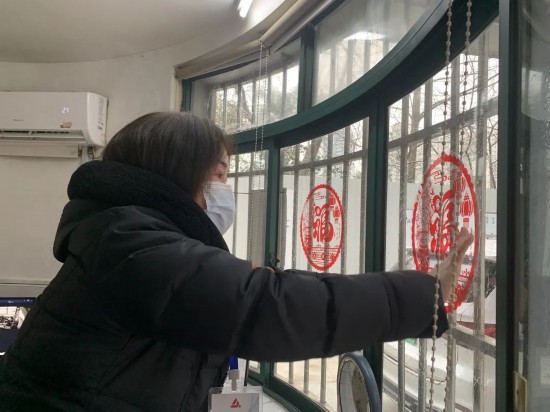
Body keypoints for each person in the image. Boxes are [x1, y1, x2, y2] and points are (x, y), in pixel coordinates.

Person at [0, 112, 473, 411]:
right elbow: (264, 306)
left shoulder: (124, 233)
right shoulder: (130, 243)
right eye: (220, 175)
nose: (225, 190)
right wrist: (423, 295)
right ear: (177, 173)